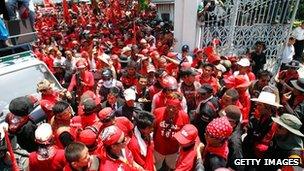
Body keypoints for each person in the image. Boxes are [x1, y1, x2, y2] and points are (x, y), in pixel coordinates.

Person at [153, 92, 190, 170]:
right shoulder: (157, 112)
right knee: (156, 167)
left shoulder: (184, 116)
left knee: (172, 167)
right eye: (169, 106)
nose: (171, 109)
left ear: (179, 107)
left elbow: (185, 134)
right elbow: (153, 129)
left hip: (174, 151)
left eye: (174, 107)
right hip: (158, 149)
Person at [243, 90, 282, 163]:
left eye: (260, 105)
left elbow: (263, 139)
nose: (257, 107)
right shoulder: (264, 116)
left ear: (268, 107)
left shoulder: (272, 122)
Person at [219, 105, 244, 171]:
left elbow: (239, 166)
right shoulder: (230, 128)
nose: (220, 121)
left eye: (224, 119)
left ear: (233, 123)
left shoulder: (235, 141)